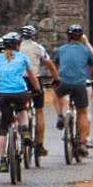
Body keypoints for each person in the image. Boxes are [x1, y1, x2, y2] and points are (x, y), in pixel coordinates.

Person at [0, 31, 40, 173]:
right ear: (18, 46)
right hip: (20, 92)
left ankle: (3, 160)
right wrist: (37, 89)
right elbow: (32, 76)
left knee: (2, 128)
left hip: (3, 94)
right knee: (22, 110)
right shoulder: (22, 57)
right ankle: (24, 130)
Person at [52, 24, 93, 157]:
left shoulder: (61, 50)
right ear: (81, 37)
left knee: (55, 94)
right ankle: (83, 143)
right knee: (83, 112)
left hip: (64, 83)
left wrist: (56, 78)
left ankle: (60, 115)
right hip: (80, 84)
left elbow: (54, 65)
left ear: (68, 37)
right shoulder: (86, 51)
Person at [17, 25, 59, 157]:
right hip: (34, 79)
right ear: (34, 36)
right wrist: (56, 78)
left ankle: (21, 132)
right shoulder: (38, 47)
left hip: (18, 81)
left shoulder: (16, 47)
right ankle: (40, 145)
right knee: (39, 110)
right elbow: (49, 63)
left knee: (20, 109)